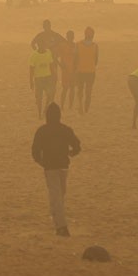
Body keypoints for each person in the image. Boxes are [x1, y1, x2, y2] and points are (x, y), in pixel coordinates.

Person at [31, 102, 81, 237]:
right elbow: (77, 145)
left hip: (50, 167)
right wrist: (72, 153)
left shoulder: (42, 131)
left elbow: (35, 151)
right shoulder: (65, 129)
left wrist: (41, 162)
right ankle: (60, 224)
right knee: (60, 195)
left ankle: (59, 223)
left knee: (56, 196)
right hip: (63, 166)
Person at [28, 40, 56, 119]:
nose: (43, 46)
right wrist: (31, 81)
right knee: (39, 98)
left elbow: (51, 65)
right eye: (41, 45)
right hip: (38, 79)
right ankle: (39, 113)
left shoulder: (48, 52)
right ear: (38, 45)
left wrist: (54, 76)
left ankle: (45, 108)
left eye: (44, 45)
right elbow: (31, 69)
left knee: (50, 95)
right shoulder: (34, 55)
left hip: (48, 77)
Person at [74, 27, 99, 114]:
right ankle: (84, 108)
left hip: (85, 71)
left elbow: (75, 59)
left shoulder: (79, 44)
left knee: (84, 91)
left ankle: (83, 107)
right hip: (87, 71)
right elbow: (96, 61)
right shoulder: (94, 46)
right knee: (86, 91)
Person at [56, 30, 79, 110]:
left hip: (73, 71)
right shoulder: (62, 45)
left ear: (73, 37)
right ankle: (62, 106)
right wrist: (60, 65)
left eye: (71, 36)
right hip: (65, 71)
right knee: (65, 89)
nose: (70, 38)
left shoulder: (75, 46)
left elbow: (77, 58)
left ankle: (70, 106)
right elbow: (55, 56)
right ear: (66, 37)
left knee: (72, 89)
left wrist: (76, 68)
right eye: (69, 36)